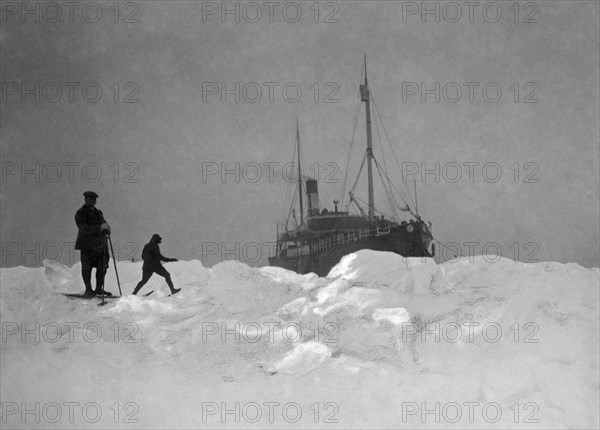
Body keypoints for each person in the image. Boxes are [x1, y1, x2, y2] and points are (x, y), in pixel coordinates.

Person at [74, 191, 111, 297]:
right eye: (90, 199)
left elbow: (104, 223)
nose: (92, 201)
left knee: (102, 267)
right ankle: (88, 290)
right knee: (87, 268)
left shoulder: (98, 212)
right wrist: (100, 228)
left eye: (94, 199)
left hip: (100, 245)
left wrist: (107, 228)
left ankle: (99, 288)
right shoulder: (80, 213)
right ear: (85, 200)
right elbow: (83, 229)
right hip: (87, 245)